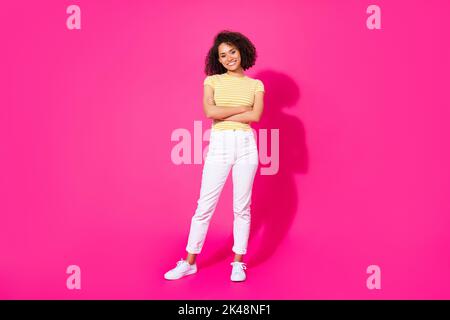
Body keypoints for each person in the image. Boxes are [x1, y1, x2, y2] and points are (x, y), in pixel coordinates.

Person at [164, 30, 265, 282]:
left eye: (232, 51)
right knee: (204, 206)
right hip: (220, 144)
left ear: (242, 50)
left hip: (245, 145)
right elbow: (209, 111)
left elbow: (255, 117)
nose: (229, 57)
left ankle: (238, 262)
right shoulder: (212, 81)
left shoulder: (255, 84)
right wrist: (243, 107)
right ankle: (189, 263)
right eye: (223, 55)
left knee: (242, 207)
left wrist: (226, 112)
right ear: (217, 60)